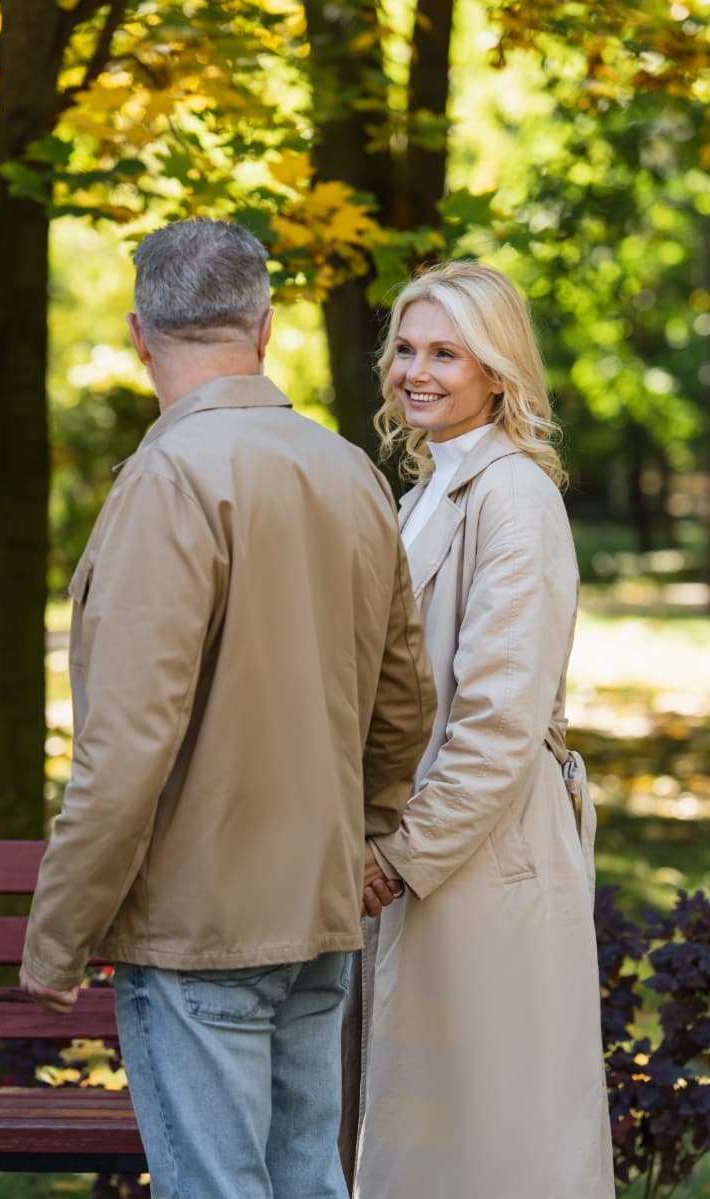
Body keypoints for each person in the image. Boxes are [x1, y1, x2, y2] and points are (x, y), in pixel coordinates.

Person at [19, 217, 436, 1199]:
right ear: (265, 322)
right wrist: (364, 837)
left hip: (194, 919)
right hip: (316, 912)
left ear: (136, 332)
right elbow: (402, 700)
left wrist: (58, 931)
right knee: (306, 1179)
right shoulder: (349, 471)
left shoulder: (166, 480)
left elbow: (126, 749)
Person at [353, 261, 615, 1198]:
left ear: (497, 372)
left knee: (494, 1143)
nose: (415, 371)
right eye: (406, 349)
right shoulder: (425, 491)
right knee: (428, 1137)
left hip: (482, 854)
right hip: (427, 847)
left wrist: (401, 856)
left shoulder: (515, 497)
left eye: (445, 354)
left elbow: (500, 721)